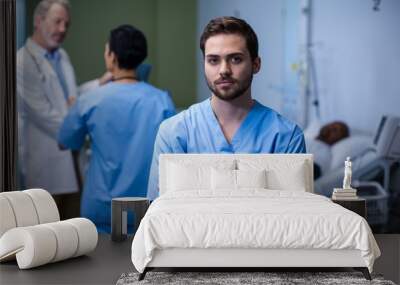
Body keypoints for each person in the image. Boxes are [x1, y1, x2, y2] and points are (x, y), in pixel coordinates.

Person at [147, 16, 306, 200]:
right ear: (204, 64)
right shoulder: (174, 133)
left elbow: (293, 218)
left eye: (236, 59)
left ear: (256, 64)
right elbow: (160, 215)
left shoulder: (286, 137)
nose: (224, 70)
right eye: (213, 60)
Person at [58, 24, 176, 232]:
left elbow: (65, 141)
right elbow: (174, 156)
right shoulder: (162, 101)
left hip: (102, 209)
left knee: (99, 262)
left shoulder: (90, 100)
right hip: (147, 209)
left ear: (111, 57)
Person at [17, 0, 110, 195]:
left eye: (66, 24)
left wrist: (99, 83)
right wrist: (80, 125)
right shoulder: (22, 62)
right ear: (38, 21)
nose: (62, 29)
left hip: (72, 158)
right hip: (45, 162)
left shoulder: (61, 56)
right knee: (47, 221)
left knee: (74, 219)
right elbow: (45, 115)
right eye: (57, 21)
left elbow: (70, 96)